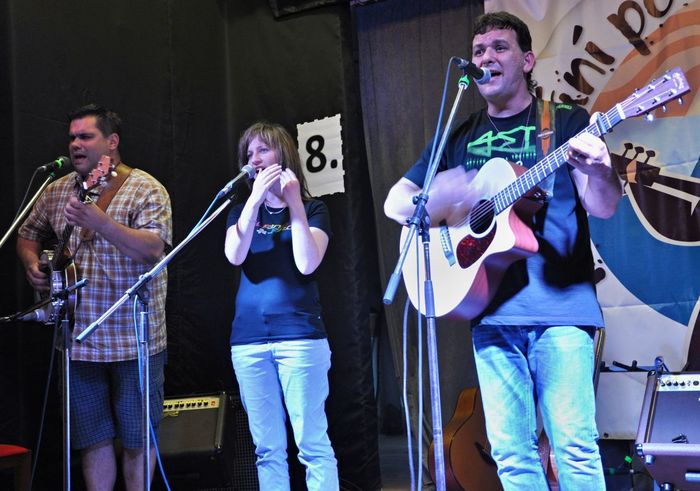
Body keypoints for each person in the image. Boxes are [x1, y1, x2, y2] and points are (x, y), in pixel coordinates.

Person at [384, 11, 623, 491]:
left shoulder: (565, 122)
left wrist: (600, 168)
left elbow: (602, 206)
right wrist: (447, 195)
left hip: (561, 309)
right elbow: (396, 202)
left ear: (527, 61)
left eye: (499, 48)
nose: (485, 57)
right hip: (490, 312)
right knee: (511, 456)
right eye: (478, 51)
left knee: (574, 448)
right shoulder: (460, 133)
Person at [17, 104, 172, 490]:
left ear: (112, 142)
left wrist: (100, 222)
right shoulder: (56, 190)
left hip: (134, 340)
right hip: (78, 341)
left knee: (138, 439)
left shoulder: (146, 188)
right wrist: (32, 263)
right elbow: (27, 233)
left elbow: (153, 250)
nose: (75, 144)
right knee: (91, 440)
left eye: (86, 136)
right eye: (72, 137)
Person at [224, 122, 338, 490]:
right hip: (248, 343)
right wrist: (254, 201)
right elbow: (234, 255)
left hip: (300, 339)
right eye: (249, 153)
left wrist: (294, 204)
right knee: (267, 449)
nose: (254, 159)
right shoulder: (241, 211)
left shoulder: (314, 208)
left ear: (283, 155)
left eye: (263, 150)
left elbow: (307, 263)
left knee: (312, 444)